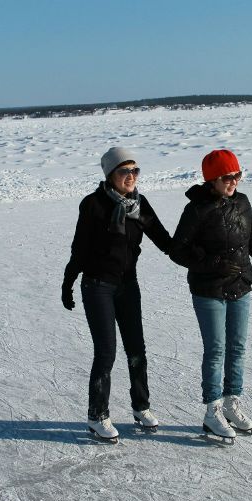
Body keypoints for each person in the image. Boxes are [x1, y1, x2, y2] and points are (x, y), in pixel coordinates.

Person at [170, 149, 252, 441]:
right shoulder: (197, 209)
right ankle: (212, 412)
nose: (234, 181)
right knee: (216, 351)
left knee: (236, 348)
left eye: (237, 175)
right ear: (212, 179)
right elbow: (177, 250)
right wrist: (213, 263)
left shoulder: (243, 203)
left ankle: (232, 403)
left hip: (240, 286)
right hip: (208, 290)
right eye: (227, 177)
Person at [62, 147, 172, 442]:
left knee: (137, 349)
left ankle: (141, 406)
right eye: (125, 171)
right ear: (110, 175)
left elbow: (163, 239)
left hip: (128, 285)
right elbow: (80, 248)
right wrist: (68, 281)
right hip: (98, 285)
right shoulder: (93, 205)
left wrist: (195, 256)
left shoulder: (140, 204)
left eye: (135, 171)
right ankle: (97, 415)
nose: (132, 177)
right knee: (107, 352)